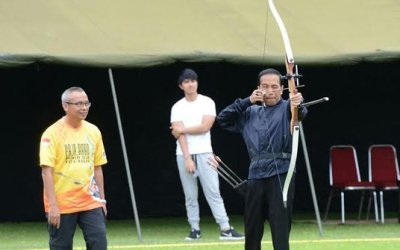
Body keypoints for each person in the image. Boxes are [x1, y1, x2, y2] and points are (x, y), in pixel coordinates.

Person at [216, 68, 307, 250]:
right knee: (252, 229)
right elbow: (222, 119)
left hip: (281, 174)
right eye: (265, 86)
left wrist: (298, 101)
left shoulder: (288, 107)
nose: (270, 91)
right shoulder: (250, 111)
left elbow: (300, 113)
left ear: (282, 89)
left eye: (275, 86)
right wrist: (247, 101)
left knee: (280, 229)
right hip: (255, 176)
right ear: (258, 88)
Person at [170, 68, 244, 241]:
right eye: (187, 81)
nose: (191, 84)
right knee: (190, 194)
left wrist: (183, 129)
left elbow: (205, 126)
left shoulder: (207, 102)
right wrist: (187, 158)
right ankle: (194, 229)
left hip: (206, 153)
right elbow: (177, 134)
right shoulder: (177, 106)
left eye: (193, 80)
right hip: (183, 154)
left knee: (213, 191)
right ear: (181, 86)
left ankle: (225, 228)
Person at [39, 87, 108, 250]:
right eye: (78, 104)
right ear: (65, 106)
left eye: (86, 103)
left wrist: (102, 200)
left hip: (90, 200)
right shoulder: (52, 133)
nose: (84, 107)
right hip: (62, 203)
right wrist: (52, 206)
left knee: (99, 242)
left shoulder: (93, 131)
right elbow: (46, 171)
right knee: (61, 246)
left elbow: (97, 168)